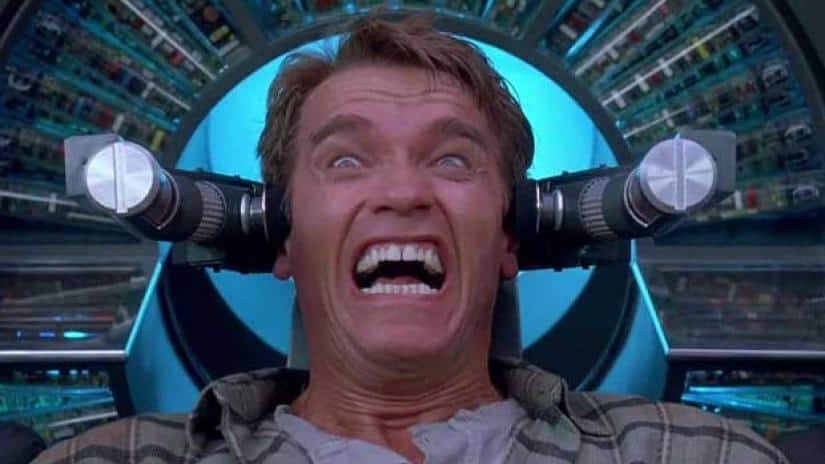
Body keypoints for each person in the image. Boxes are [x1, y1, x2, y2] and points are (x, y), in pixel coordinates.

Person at [33, 13, 788, 464]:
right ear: (282, 235)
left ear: (511, 235)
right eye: (345, 160)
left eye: (452, 159)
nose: (402, 193)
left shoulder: (699, 456)